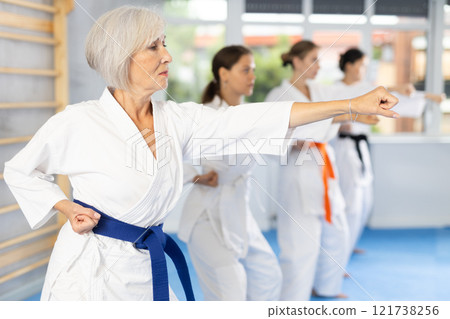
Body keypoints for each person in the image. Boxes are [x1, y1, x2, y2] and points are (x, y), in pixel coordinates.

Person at [3, 7, 399, 301]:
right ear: (122, 56)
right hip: (90, 274)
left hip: (143, 265)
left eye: (165, 44)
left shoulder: (176, 119)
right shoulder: (79, 122)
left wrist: (350, 105)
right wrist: (65, 207)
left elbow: (252, 119)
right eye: (153, 46)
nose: (167, 56)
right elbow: (20, 171)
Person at [265, 40, 379, 301]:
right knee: (299, 250)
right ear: (296, 61)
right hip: (298, 174)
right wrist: (295, 142)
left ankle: (326, 287)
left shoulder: (321, 90)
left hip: (325, 170)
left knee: (338, 233)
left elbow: (337, 112)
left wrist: (358, 115)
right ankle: (292, 303)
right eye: (312, 60)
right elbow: (269, 137)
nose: (318, 66)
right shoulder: (278, 95)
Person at [179, 45, 282, 301]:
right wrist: (194, 174)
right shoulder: (206, 114)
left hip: (237, 213)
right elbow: (165, 151)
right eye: (245, 70)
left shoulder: (247, 114)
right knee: (231, 290)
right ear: (224, 74)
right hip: (205, 217)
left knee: (268, 274)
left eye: (254, 70)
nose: (252, 77)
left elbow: (278, 129)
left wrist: (340, 113)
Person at [332, 48, 446, 261]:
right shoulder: (335, 90)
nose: (365, 69)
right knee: (351, 203)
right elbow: (328, 116)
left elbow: (391, 97)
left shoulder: (366, 88)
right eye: (362, 64)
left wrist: (429, 96)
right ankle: (338, 256)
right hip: (344, 149)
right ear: (349, 65)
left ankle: (348, 244)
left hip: (361, 148)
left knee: (365, 203)